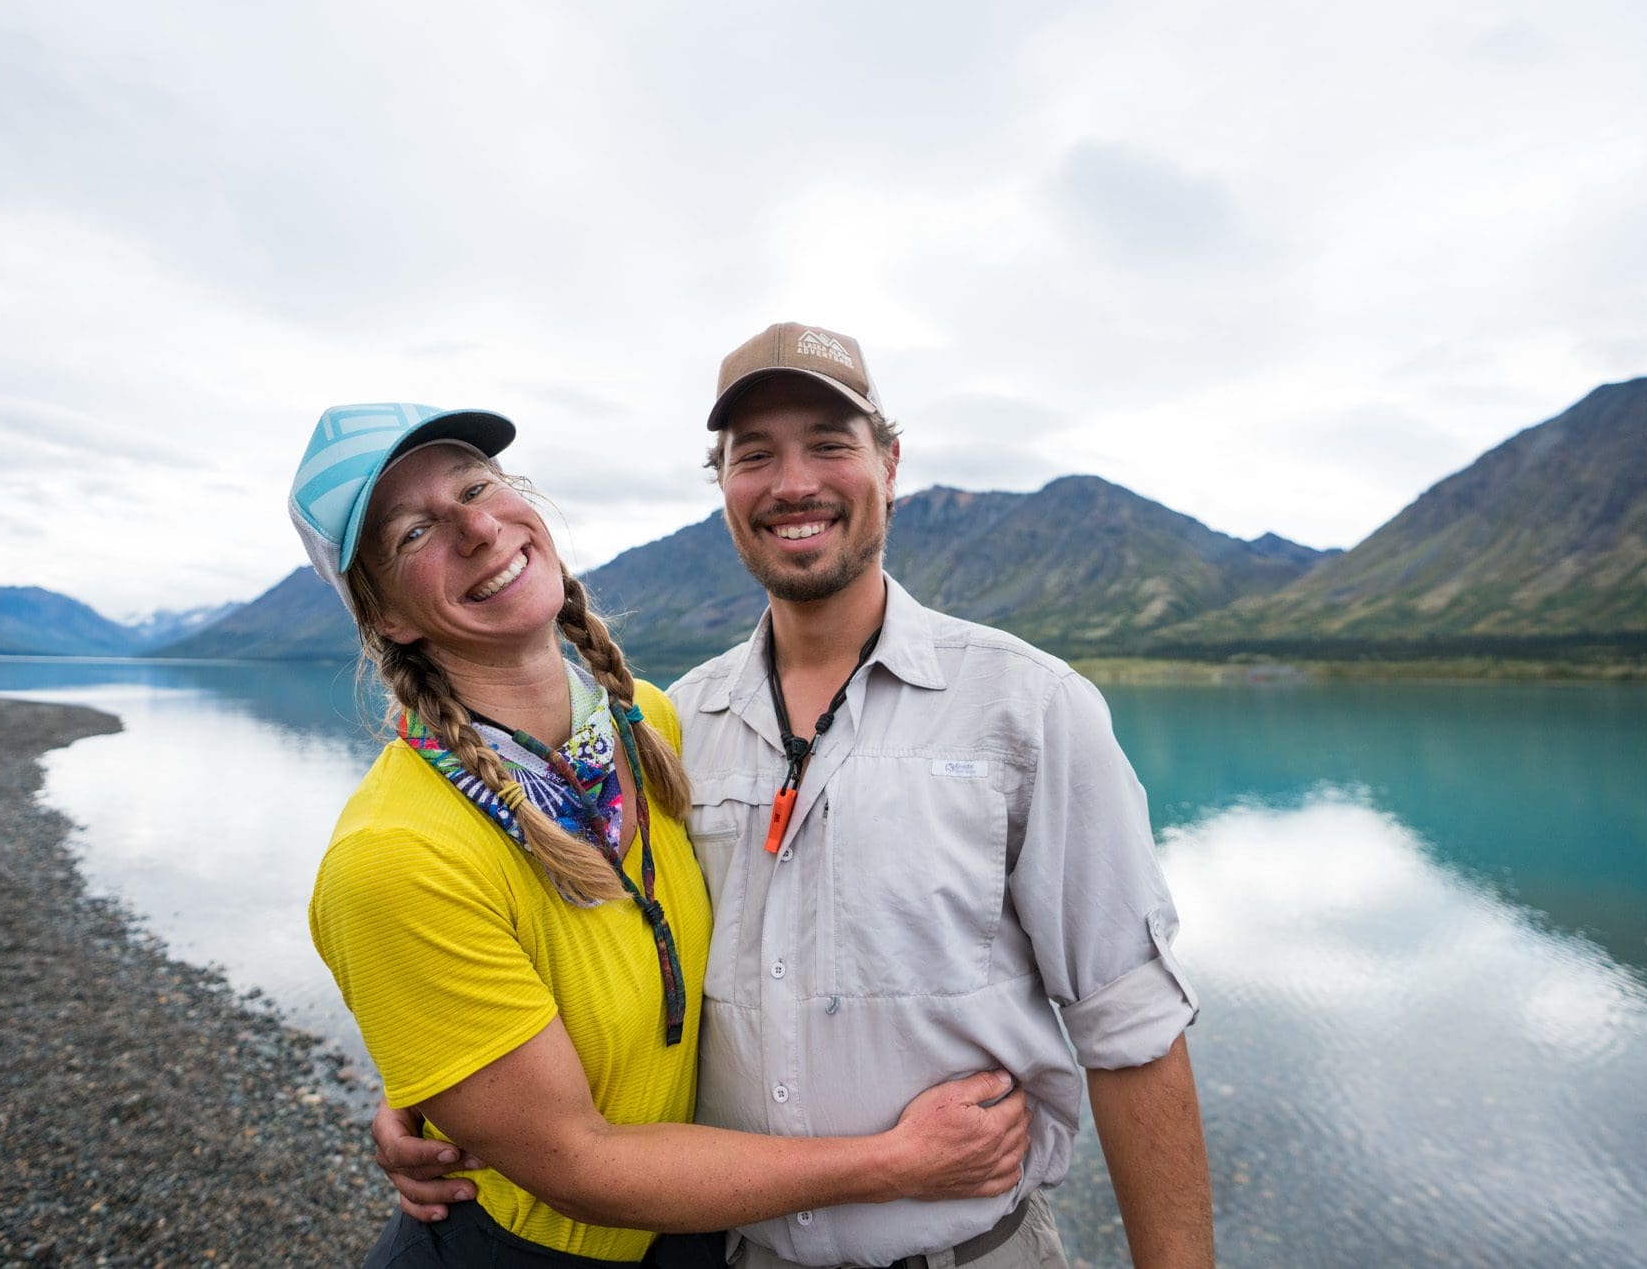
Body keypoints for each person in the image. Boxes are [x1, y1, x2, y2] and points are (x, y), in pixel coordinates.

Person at [379, 322, 1213, 1268]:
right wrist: (436, 1086)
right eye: (754, 456)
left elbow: (1131, 1031)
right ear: (724, 488)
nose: (792, 484)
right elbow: (578, 949)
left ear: (890, 465)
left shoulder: (1027, 708)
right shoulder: (665, 726)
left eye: (829, 442)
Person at [290, 401, 1033, 1269]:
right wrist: (897, 1163)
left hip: (694, 1238)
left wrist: (436, 1079)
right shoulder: (392, 858)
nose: (478, 527)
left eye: (477, 485)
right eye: (414, 532)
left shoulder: (654, 728)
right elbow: (577, 1163)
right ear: (385, 617)